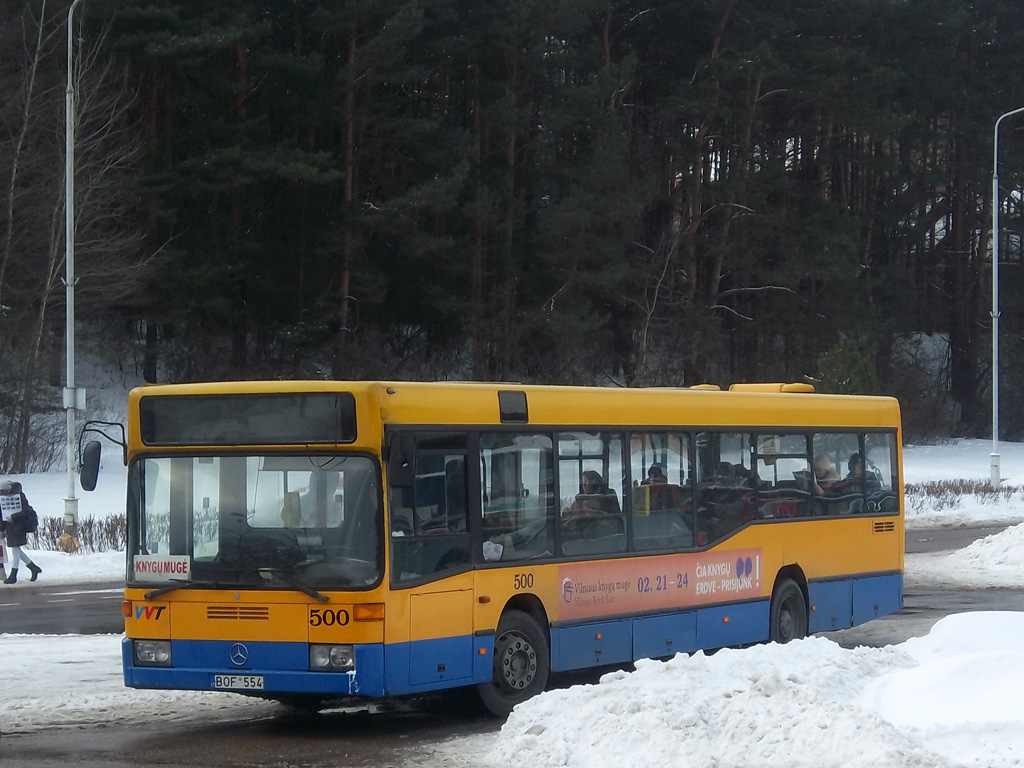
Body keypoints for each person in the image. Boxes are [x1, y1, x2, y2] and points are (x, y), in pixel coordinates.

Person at [0, 480, 42, 584]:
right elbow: (2, 515)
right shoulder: (3, 498)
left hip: (19, 526)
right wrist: (2, 529)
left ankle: (13, 575)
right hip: (10, 527)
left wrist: (13, 517)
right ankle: (33, 568)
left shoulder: (19, 496)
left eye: (3, 491)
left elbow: (26, 511)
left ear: (8, 489)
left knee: (15, 550)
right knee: (17, 550)